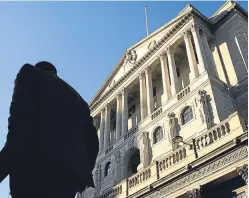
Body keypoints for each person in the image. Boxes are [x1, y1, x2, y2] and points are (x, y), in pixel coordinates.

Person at [0, 62, 99, 198]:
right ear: (55, 73)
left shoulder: (30, 75)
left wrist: (5, 163)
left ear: (38, 68)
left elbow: (18, 126)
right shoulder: (80, 101)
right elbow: (93, 143)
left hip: (32, 170)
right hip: (68, 179)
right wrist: (84, 172)